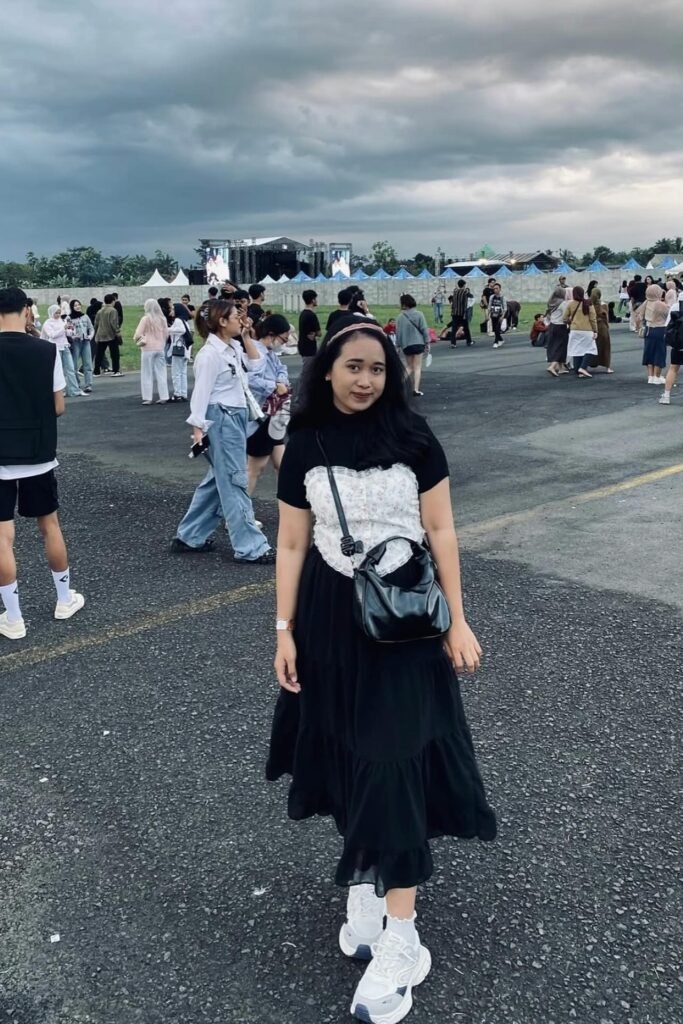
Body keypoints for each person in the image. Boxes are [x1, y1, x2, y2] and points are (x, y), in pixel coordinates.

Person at [267, 313, 496, 1023]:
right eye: (353, 367)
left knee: (392, 761)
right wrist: (282, 631)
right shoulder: (303, 443)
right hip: (330, 619)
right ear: (327, 370)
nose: (366, 379)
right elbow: (292, 545)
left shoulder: (415, 437)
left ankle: (402, 940)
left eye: (377, 368)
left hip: (405, 625)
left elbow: (441, 530)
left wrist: (458, 620)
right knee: (344, 752)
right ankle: (365, 888)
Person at [0, 288, 85, 640]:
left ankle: (14, 617)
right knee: (49, 524)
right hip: (38, 452)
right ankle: (64, 598)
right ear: (25, 309)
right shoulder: (46, 351)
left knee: (2, 536)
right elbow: (59, 405)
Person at [171, 298, 274, 563]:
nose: (241, 319)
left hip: (236, 418)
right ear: (221, 321)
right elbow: (201, 395)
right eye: (235, 316)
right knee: (235, 480)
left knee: (219, 480)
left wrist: (248, 335)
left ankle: (189, 535)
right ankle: (251, 547)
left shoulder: (232, 348)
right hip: (222, 418)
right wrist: (198, 430)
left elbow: (257, 365)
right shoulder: (210, 355)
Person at [247, 313, 291, 494]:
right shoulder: (255, 351)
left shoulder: (270, 353)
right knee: (255, 468)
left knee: (284, 465)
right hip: (259, 418)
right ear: (272, 334)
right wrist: (274, 386)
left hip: (272, 416)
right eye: (284, 339)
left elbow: (282, 369)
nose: (285, 343)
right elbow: (249, 379)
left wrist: (280, 382)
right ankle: (239, 515)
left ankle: (289, 507)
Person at [41, 305, 85, 397]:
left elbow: (66, 333)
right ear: (51, 313)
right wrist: (63, 328)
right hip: (55, 347)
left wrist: (70, 329)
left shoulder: (61, 321)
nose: (58, 315)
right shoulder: (48, 323)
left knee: (71, 369)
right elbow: (52, 335)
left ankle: (74, 390)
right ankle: (61, 391)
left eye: (59, 313)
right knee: (58, 370)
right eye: (56, 313)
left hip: (65, 346)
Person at [134, 299, 170, 405]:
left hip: (147, 348)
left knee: (147, 373)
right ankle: (164, 396)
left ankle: (148, 397)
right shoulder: (162, 319)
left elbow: (138, 333)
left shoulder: (145, 319)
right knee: (161, 372)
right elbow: (166, 334)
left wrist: (137, 339)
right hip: (160, 348)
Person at [396, 294, 430, 397]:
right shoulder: (419, 314)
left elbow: (398, 333)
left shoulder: (400, 317)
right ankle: (415, 389)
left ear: (403, 304)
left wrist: (398, 345)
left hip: (406, 345)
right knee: (417, 367)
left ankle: (399, 385)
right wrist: (427, 341)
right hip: (418, 343)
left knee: (409, 366)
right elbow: (424, 329)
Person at [635, 284, 669, 386]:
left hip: (648, 330)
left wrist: (638, 328)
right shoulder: (661, 304)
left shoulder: (646, 303)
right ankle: (657, 376)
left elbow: (638, 316)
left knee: (649, 353)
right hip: (660, 330)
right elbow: (670, 314)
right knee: (659, 353)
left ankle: (650, 376)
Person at [563, 286, 598, 377]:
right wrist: (595, 330)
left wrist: (570, 321)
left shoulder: (570, 304)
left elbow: (564, 318)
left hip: (574, 330)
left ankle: (577, 369)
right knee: (591, 349)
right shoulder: (588, 303)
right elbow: (593, 318)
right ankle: (583, 367)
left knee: (576, 349)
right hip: (587, 330)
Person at [67, 300, 95, 393]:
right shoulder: (69, 318)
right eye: (75, 305)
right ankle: (77, 384)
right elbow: (68, 331)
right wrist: (74, 336)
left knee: (88, 363)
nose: (78, 307)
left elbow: (91, 328)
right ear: (72, 307)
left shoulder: (85, 316)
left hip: (86, 342)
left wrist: (90, 336)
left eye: (79, 305)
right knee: (74, 364)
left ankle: (88, 384)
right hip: (75, 343)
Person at [93, 294, 123, 377]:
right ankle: (116, 370)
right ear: (113, 301)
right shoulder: (113, 310)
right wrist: (118, 333)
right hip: (111, 335)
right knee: (114, 353)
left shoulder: (100, 311)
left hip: (100, 335)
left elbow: (96, 324)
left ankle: (96, 371)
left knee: (99, 354)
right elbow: (114, 323)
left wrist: (95, 333)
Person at [587, 281, 613, 373]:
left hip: (591, 327)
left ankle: (587, 364)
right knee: (605, 346)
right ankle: (607, 366)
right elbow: (606, 318)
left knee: (590, 346)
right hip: (602, 327)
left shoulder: (588, 304)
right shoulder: (603, 305)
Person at [544, 286, 569, 376]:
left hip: (552, 325)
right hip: (561, 326)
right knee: (561, 346)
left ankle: (561, 367)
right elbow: (565, 315)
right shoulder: (563, 303)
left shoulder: (551, 302)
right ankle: (553, 365)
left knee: (554, 345)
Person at [297, 289, 321, 383]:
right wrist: (315, 333)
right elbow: (319, 333)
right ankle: (300, 395)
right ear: (313, 300)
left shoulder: (302, 314)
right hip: (309, 348)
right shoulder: (312, 315)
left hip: (302, 345)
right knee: (306, 373)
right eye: (315, 299)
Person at [449, 280, 472, 346]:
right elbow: (465, 303)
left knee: (454, 328)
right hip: (462, 313)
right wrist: (465, 313)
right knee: (466, 327)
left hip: (455, 313)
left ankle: (453, 343)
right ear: (464, 285)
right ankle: (469, 341)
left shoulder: (455, 291)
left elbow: (453, 302)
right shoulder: (465, 292)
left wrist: (452, 311)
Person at [487, 283, 508, 348]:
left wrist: (502, 316)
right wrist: (488, 314)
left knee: (497, 328)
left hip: (499, 315)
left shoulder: (502, 297)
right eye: (494, 289)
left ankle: (496, 342)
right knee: (495, 329)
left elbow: (505, 308)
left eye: (497, 288)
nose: (495, 290)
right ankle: (500, 339)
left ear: (500, 289)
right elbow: (489, 306)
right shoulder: (491, 297)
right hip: (493, 315)